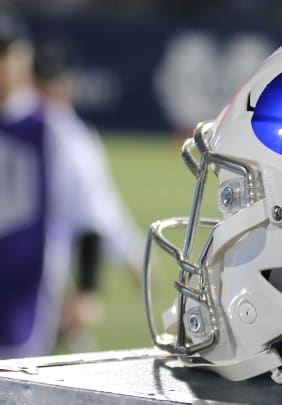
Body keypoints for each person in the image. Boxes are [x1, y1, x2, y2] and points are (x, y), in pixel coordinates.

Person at [0, 15, 142, 359]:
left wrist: (88, 288)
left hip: (24, 289)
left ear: (21, 58)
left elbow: (91, 209)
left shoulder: (52, 129)